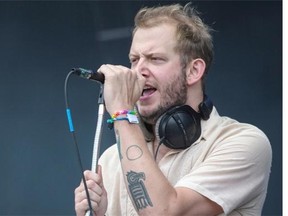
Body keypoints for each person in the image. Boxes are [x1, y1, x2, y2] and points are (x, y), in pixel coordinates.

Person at [74, 3, 272, 216]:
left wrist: (123, 113)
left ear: (193, 70)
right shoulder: (112, 159)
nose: (138, 72)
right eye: (134, 60)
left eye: (155, 59)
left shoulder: (242, 142)